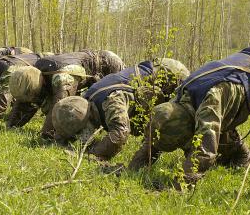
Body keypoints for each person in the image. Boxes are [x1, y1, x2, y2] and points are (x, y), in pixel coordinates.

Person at [128, 46, 250, 188]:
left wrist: (177, 186)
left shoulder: (210, 101)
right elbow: (157, 132)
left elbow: (204, 152)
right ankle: (240, 157)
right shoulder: (178, 99)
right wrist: (132, 169)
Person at [51, 58, 190, 160]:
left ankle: (194, 157)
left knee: (173, 123)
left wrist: (95, 153)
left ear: (86, 122)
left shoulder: (111, 100)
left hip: (171, 76)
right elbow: (68, 116)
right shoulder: (84, 102)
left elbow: (120, 133)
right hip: (156, 70)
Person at [7, 50, 125, 139]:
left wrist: (45, 135)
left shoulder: (62, 78)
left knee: (102, 103)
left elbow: (58, 106)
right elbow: (24, 103)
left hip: (109, 64)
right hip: (90, 62)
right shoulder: (33, 72)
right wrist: (11, 125)